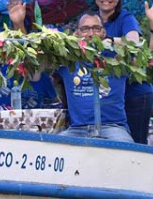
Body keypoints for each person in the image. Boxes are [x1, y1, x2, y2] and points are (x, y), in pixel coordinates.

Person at [91, 0, 153, 144]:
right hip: (108, 95)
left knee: (135, 144)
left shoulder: (125, 18)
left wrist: (109, 40)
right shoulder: (91, 21)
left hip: (134, 93)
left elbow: (133, 43)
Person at [42, 13, 133, 142]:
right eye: (85, 29)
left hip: (112, 128)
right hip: (77, 129)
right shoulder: (67, 60)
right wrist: (68, 41)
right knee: (53, 150)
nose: (91, 34)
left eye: (96, 28)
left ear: (103, 32)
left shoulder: (117, 58)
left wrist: (112, 40)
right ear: (77, 33)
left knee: (125, 151)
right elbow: (37, 59)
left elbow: (139, 47)